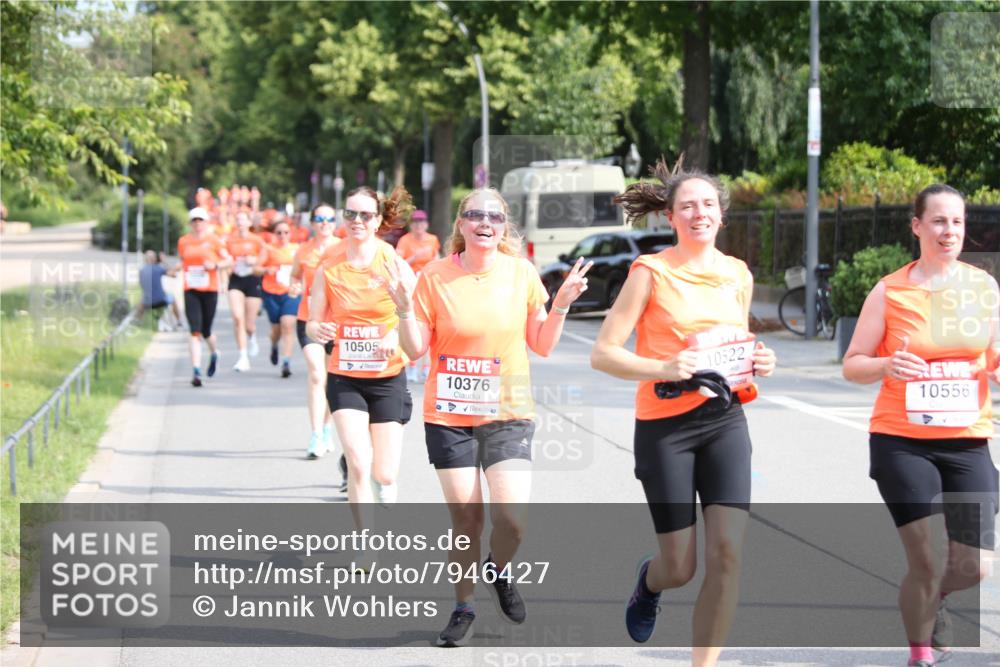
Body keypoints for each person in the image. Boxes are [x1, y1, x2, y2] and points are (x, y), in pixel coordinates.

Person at [590, 158, 776, 666]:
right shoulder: (650, 272)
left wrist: (759, 359)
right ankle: (649, 584)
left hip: (724, 422)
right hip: (665, 429)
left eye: (709, 204)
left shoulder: (737, 274)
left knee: (728, 557)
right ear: (670, 216)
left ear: (721, 214)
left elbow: (733, 348)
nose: (700, 213)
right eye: (688, 206)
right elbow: (603, 353)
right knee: (680, 566)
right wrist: (665, 366)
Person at [389, 187, 592, 647]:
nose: (486, 223)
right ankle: (464, 607)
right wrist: (402, 308)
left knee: (512, 520)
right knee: (466, 519)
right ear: (460, 225)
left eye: (495, 217)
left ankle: (497, 569)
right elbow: (415, 348)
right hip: (449, 415)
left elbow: (541, 344)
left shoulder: (521, 274)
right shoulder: (434, 277)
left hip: (508, 412)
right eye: (476, 215)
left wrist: (561, 304)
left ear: (504, 228)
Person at [843, 184, 999, 667]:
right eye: (937, 220)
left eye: (956, 221)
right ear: (916, 226)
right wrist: (887, 364)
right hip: (901, 442)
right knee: (926, 559)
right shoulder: (891, 290)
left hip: (968, 442)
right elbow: (853, 365)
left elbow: (994, 356)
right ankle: (920, 655)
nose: (948, 230)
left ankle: (934, 598)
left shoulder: (983, 287)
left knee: (975, 566)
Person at [306, 186, 415, 518]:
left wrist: (393, 335)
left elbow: (417, 316)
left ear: (377, 219)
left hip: (387, 376)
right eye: (350, 213)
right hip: (345, 376)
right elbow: (311, 322)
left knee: (384, 473)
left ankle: (384, 484)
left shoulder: (393, 262)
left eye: (365, 215)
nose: (356, 221)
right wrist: (317, 329)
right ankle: (364, 546)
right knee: (357, 462)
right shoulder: (330, 266)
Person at [290, 204, 342, 464]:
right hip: (308, 319)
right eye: (319, 219)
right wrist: (294, 286)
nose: (325, 223)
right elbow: (295, 277)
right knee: (316, 374)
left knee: (332, 379)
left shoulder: (343, 249)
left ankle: (325, 426)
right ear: (312, 223)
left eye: (330, 219)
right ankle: (315, 435)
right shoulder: (303, 250)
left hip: (336, 324)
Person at [178, 207, 232, 387]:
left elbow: (228, 260)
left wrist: (215, 265)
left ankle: (214, 352)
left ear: (206, 222)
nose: (197, 224)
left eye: (201, 220)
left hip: (210, 289)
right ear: (190, 223)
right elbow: (182, 260)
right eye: (194, 220)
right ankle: (196, 370)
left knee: (206, 330)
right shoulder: (184, 241)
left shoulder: (214, 241)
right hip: (191, 289)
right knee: (194, 330)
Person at [395, 209, 440, 382]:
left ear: (426, 224)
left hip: (428, 283)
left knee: (430, 324)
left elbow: (437, 259)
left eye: (421, 222)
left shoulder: (432, 239)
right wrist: (414, 257)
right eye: (415, 222)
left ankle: (426, 367)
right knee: (413, 323)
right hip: (410, 285)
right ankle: (412, 366)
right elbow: (398, 263)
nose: (418, 225)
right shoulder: (404, 240)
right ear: (411, 225)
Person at [258, 219, 300, 378]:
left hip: (291, 292)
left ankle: (286, 361)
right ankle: (274, 344)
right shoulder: (268, 249)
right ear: (274, 234)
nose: (283, 235)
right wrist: (266, 269)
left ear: (290, 234)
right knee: (276, 329)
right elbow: (255, 268)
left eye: (286, 232)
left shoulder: (297, 249)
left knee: (288, 324)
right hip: (271, 293)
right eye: (279, 233)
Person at [226, 212, 266, 371]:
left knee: (249, 324)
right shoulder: (230, 240)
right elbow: (225, 258)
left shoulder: (257, 241)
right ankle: (243, 356)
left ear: (249, 222)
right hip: (236, 279)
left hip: (252, 279)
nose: (240, 222)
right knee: (237, 317)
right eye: (238, 219)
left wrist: (254, 261)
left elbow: (264, 259)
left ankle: (252, 337)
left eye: (243, 219)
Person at [136, 250, 181, 327]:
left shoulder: (141, 270)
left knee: (141, 301)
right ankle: (179, 321)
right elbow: (174, 275)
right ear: (154, 259)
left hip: (146, 302)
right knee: (172, 298)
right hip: (160, 300)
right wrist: (164, 261)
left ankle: (137, 322)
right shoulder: (158, 268)